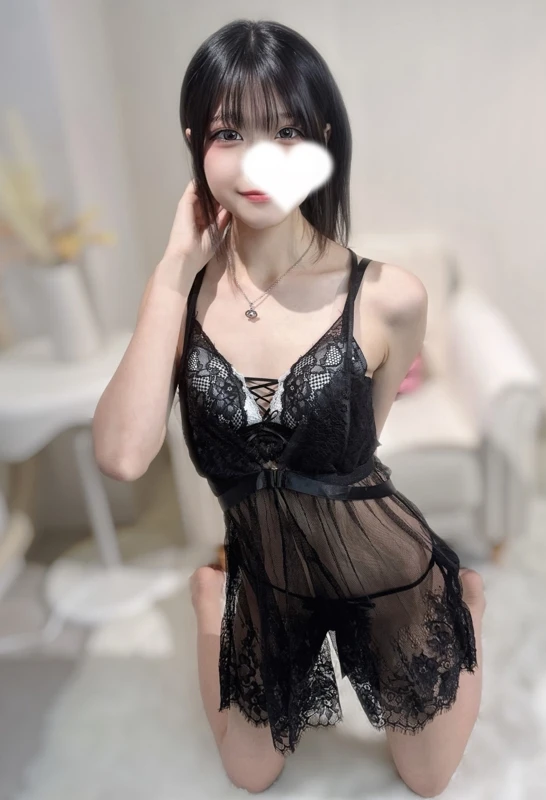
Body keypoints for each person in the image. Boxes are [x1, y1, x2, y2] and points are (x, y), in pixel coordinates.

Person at [94, 18, 486, 798]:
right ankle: (213, 592)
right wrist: (171, 270)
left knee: (427, 780)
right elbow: (123, 454)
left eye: (285, 131)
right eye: (228, 132)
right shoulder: (181, 298)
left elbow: (361, 452)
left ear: (322, 141)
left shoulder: (389, 297)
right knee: (250, 774)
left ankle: (463, 595)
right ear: (196, 145)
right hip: (268, 583)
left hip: (385, 573)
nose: (257, 161)